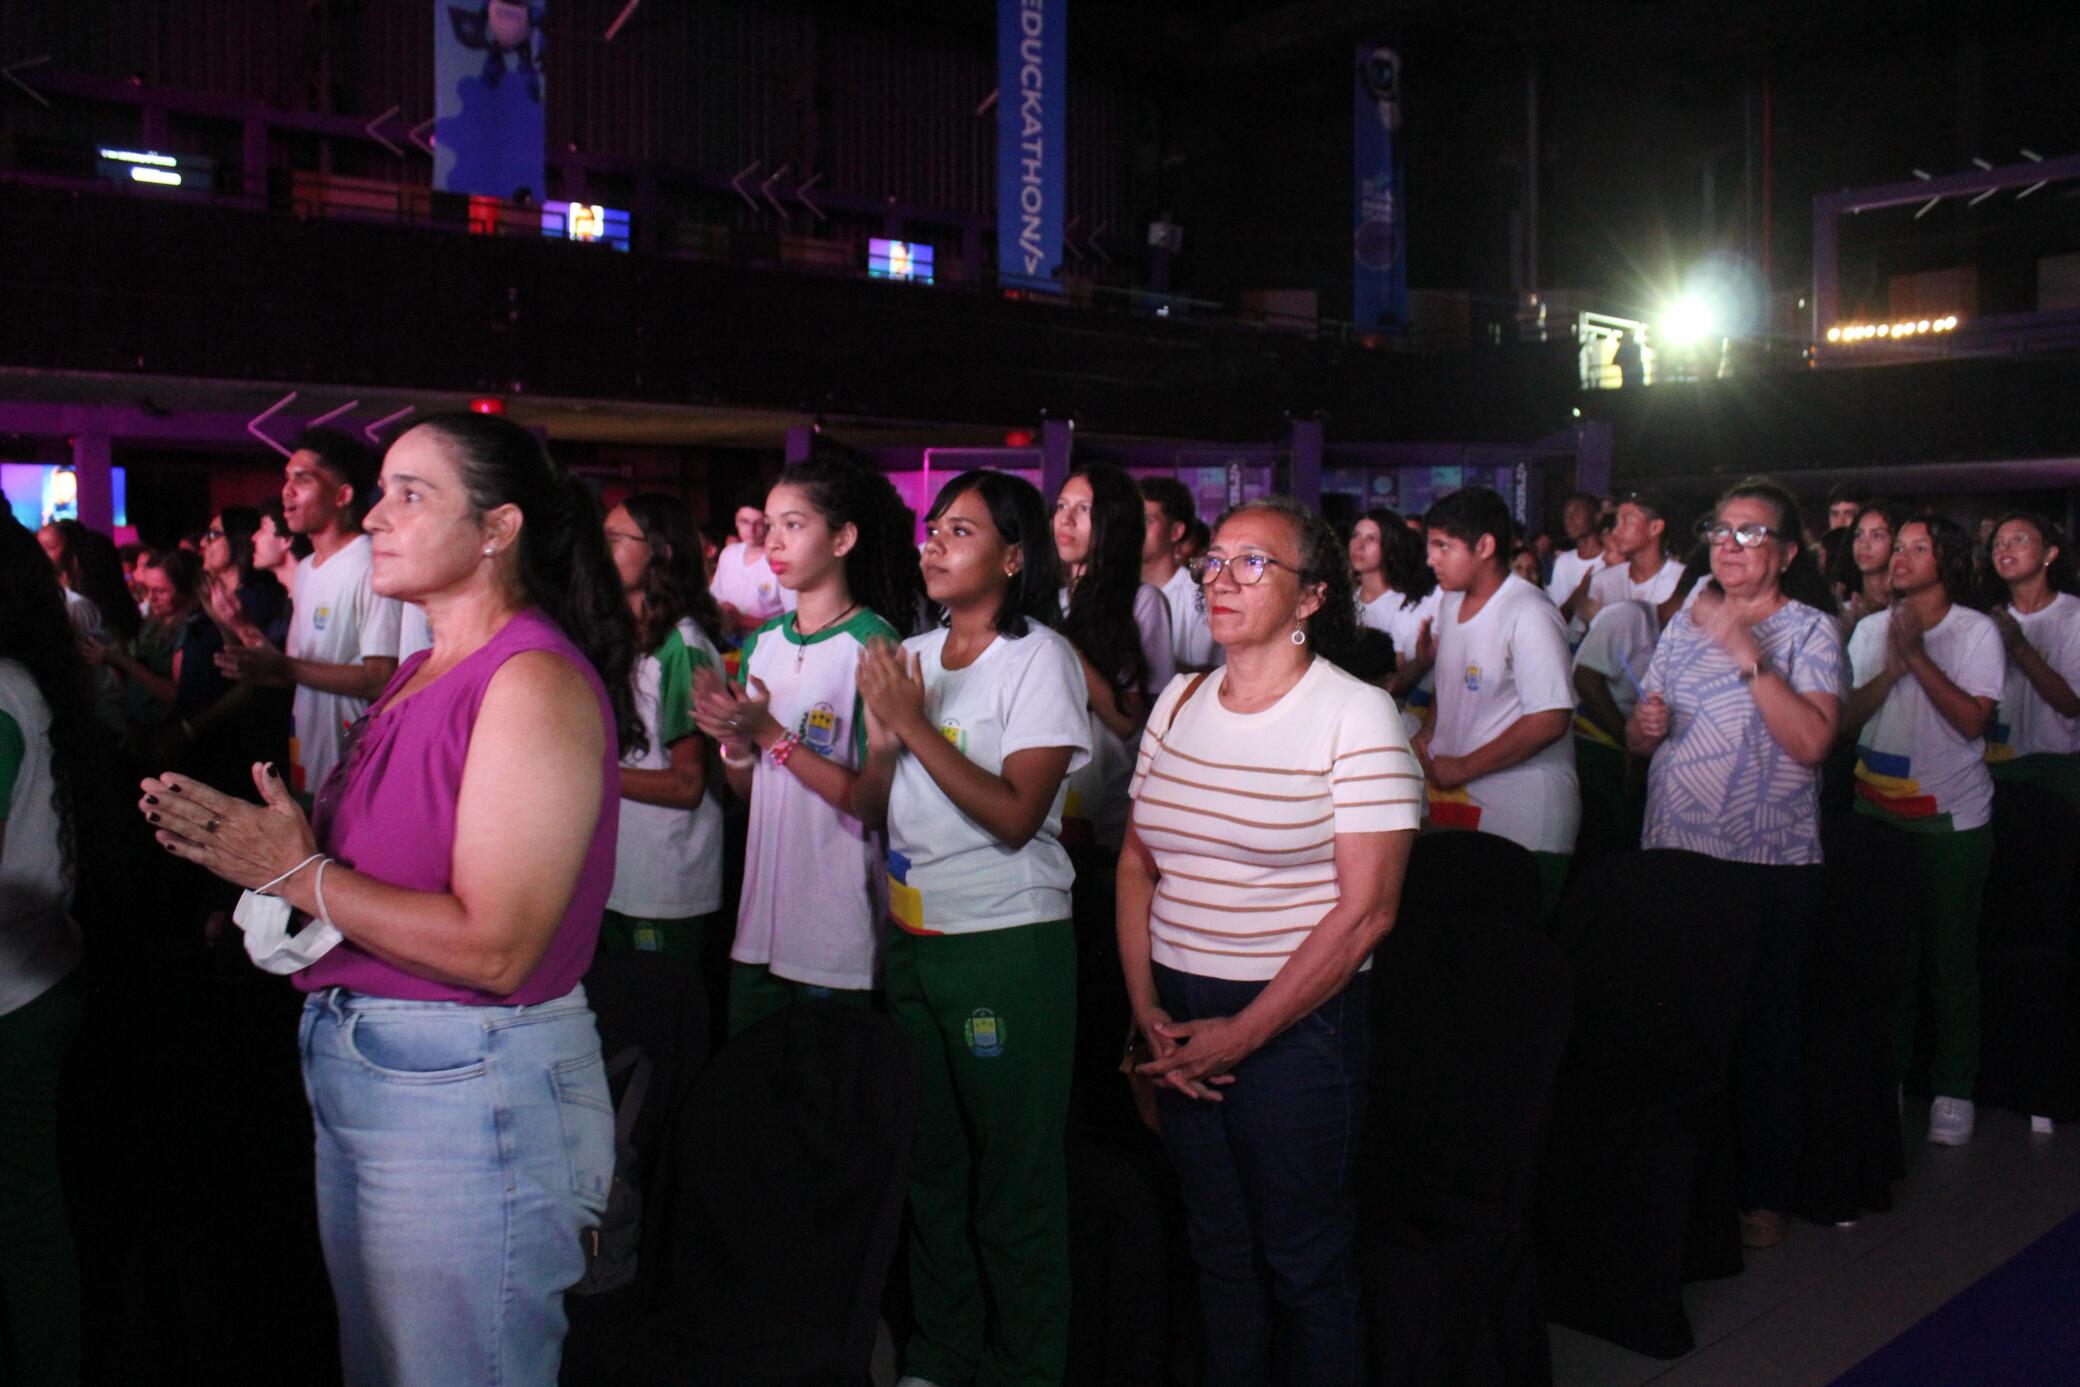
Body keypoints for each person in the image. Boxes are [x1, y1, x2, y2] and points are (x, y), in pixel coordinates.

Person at [138, 411, 633, 1385]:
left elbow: (497, 947)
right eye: (381, 492)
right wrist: (270, 854)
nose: (374, 517)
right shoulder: (417, 672)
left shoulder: (529, 682)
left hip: (470, 1082)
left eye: (412, 494)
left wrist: (298, 873)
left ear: (497, 528)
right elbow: (371, 875)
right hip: (373, 1061)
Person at [1119, 495, 1418, 1387]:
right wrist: (1146, 1013)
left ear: (1310, 597)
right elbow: (1138, 863)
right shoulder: (1177, 700)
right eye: (1214, 560)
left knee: (1304, 1261)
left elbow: (1368, 913)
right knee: (1217, 1246)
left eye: (1254, 564)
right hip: (1176, 1014)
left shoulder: (1355, 714)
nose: (1221, 578)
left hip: (1294, 1025)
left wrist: (1241, 1033)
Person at [851, 469, 1090, 1387]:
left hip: (1006, 944)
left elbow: (1017, 813)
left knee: (1015, 1184)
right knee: (934, 1169)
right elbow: (879, 804)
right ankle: (943, 1353)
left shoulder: (1041, 661)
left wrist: (913, 723)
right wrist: (882, 736)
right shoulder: (908, 652)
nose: (935, 543)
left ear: (1015, 556)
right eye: (932, 527)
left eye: (962, 529)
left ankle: (1024, 1366)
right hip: (916, 936)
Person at [1629, 481, 1844, 1248]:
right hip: (1676, 852)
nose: (1728, 542)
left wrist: (1749, 655)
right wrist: (1645, 728)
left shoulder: (1813, 628)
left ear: (1786, 553)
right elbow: (1642, 731)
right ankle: (1690, 1184)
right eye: (1720, 529)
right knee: (1682, 1032)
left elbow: (1812, 743)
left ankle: (1765, 1190)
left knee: (1764, 1032)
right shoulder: (1685, 623)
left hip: (1767, 860)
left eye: (1751, 533)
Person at [692, 455, 918, 1035]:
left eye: (794, 525)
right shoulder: (765, 640)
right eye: (769, 525)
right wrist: (734, 743)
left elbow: (872, 804)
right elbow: (747, 789)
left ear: (843, 538)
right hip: (762, 918)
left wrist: (769, 733)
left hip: (836, 921)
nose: (774, 540)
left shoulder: (874, 644)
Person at [1842, 515, 2004, 1148]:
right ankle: (1892, 1078)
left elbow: (1971, 721)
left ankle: (1954, 1086)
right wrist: (1889, 666)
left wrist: (1915, 657)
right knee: (1890, 961)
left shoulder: (1974, 631)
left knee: (1951, 959)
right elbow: (1847, 717)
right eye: (1897, 546)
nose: (1900, 557)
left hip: (1950, 818)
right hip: (1874, 810)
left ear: (1949, 561)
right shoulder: (1870, 628)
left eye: (1917, 547)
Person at [0, 516, 102, 1386]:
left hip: (14, 995)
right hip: (35, 974)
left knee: (25, 1217)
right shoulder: (24, 680)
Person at [1415, 486, 1579, 917]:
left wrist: (1465, 766)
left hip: (1524, 820)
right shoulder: (1451, 602)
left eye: (1443, 547)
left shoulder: (1529, 612)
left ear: (1485, 546)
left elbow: (1550, 718)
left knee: (1509, 950)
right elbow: (1447, 681)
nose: (1431, 559)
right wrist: (1430, 732)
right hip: (1460, 806)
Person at [216, 428, 404, 797]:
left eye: (303, 479)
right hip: (308, 755)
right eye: (287, 478)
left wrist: (283, 667)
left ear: (343, 495)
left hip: (355, 765)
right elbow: (299, 670)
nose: (287, 490)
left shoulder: (369, 563)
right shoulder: (305, 571)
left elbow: (381, 678)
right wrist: (248, 638)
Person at [600, 494, 728, 958]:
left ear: (662, 551)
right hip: (625, 870)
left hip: (664, 878)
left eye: (616, 539)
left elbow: (687, 783)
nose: (602, 549)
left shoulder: (682, 647)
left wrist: (590, 777)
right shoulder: (626, 634)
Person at [1053, 463, 1175, 850]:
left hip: (1105, 808)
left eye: (1084, 509)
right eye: (1060, 506)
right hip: (1048, 793)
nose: (1065, 519)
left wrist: (1065, 648)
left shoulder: (1142, 602)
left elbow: (1126, 721)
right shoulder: (1049, 601)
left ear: (1114, 521)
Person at [1984, 512, 2080, 812]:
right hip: (1993, 764)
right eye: (1998, 544)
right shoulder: (1989, 619)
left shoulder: (2072, 615)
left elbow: (2072, 702)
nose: (2004, 549)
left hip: (2052, 767)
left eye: (2018, 541)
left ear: (2049, 553)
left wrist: (2019, 646)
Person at [1350, 506, 1441, 698]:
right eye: (1355, 536)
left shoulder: (1407, 606)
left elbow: (1399, 679)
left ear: (1390, 545)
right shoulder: (1345, 600)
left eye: (1371, 538)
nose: (1358, 545)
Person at [1140, 475, 1217, 672]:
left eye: (1147, 520)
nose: (1135, 528)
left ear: (1176, 531)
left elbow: (1211, 674)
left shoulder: (1198, 596)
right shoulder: (1115, 589)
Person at [1585, 491, 1686, 621]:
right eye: (1617, 522)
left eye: (1627, 521)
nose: (1615, 531)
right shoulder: (1603, 582)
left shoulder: (1682, 580)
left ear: (1655, 527)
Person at [709, 497, 796, 638]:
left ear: (768, 524)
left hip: (768, 643)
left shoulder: (780, 560)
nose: (751, 530)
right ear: (736, 521)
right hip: (729, 643)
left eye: (759, 523)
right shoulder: (728, 554)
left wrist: (743, 620)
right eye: (745, 522)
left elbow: (794, 619)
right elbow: (714, 599)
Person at [1841, 500, 1903, 637]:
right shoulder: (1844, 611)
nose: (1864, 544)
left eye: (1877, 535)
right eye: (1859, 535)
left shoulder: (1908, 612)